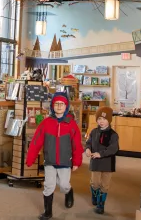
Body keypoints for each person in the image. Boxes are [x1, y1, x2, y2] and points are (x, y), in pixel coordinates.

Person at [26, 92, 84, 220]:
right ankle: (48, 212)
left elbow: (77, 145)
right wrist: (30, 158)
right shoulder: (46, 123)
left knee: (63, 184)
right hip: (50, 161)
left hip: (65, 161)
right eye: (56, 104)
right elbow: (36, 141)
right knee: (49, 185)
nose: (59, 106)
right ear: (52, 106)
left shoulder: (71, 124)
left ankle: (69, 191)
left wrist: (76, 161)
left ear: (66, 106)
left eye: (61, 104)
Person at [85, 106, 119, 215]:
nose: (101, 122)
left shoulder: (113, 135)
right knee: (95, 183)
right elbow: (89, 142)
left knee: (105, 185)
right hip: (95, 162)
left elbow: (113, 148)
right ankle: (94, 195)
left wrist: (101, 154)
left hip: (108, 163)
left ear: (109, 120)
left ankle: (101, 205)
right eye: (99, 119)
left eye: (104, 119)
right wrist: (87, 149)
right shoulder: (94, 132)